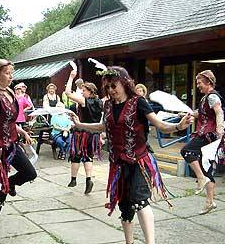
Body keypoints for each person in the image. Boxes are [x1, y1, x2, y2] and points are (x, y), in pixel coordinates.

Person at [71, 66, 192, 244]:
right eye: (108, 87)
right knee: (125, 206)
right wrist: (80, 124)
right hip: (119, 163)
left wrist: (178, 127)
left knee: (139, 199)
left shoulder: (138, 102)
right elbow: (103, 126)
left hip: (140, 161)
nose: (111, 90)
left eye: (114, 86)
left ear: (124, 83)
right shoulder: (108, 104)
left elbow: (160, 125)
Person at [0, 59, 37, 244]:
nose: (11, 76)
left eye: (12, 73)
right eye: (8, 73)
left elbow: (9, 121)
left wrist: (22, 131)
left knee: (29, 172)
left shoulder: (10, 92)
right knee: (0, 193)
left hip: (12, 144)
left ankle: (8, 184)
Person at [180, 70, 224, 214]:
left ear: (209, 83)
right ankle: (209, 202)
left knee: (186, 151)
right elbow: (202, 112)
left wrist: (220, 130)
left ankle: (200, 177)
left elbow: (218, 112)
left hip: (209, 134)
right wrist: (189, 113)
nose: (197, 85)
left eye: (199, 83)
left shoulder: (212, 96)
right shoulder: (205, 98)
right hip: (208, 133)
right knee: (206, 166)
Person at [65, 70, 103, 194]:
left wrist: (71, 78)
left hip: (82, 133)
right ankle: (88, 179)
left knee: (76, 155)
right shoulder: (100, 102)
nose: (82, 92)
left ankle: (73, 179)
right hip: (94, 133)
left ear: (90, 91)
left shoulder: (84, 101)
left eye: (84, 90)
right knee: (88, 157)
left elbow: (68, 93)